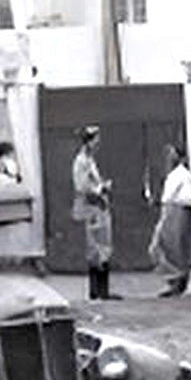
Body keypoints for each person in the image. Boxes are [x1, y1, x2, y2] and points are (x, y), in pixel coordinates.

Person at [71, 125, 120, 301]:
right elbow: (82, 186)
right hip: (91, 207)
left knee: (103, 246)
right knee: (96, 248)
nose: (98, 144)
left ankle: (102, 290)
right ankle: (97, 291)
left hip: (97, 206)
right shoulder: (81, 161)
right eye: (95, 140)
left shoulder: (89, 161)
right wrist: (101, 188)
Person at [149, 142, 191, 297]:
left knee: (172, 247)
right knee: (161, 247)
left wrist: (177, 206)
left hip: (176, 210)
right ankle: (174, 279)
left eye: (173, 155)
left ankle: (177, 281)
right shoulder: (174, 175)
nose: (169, 159)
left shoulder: (183, 176)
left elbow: (190, 196)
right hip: (170, 209)